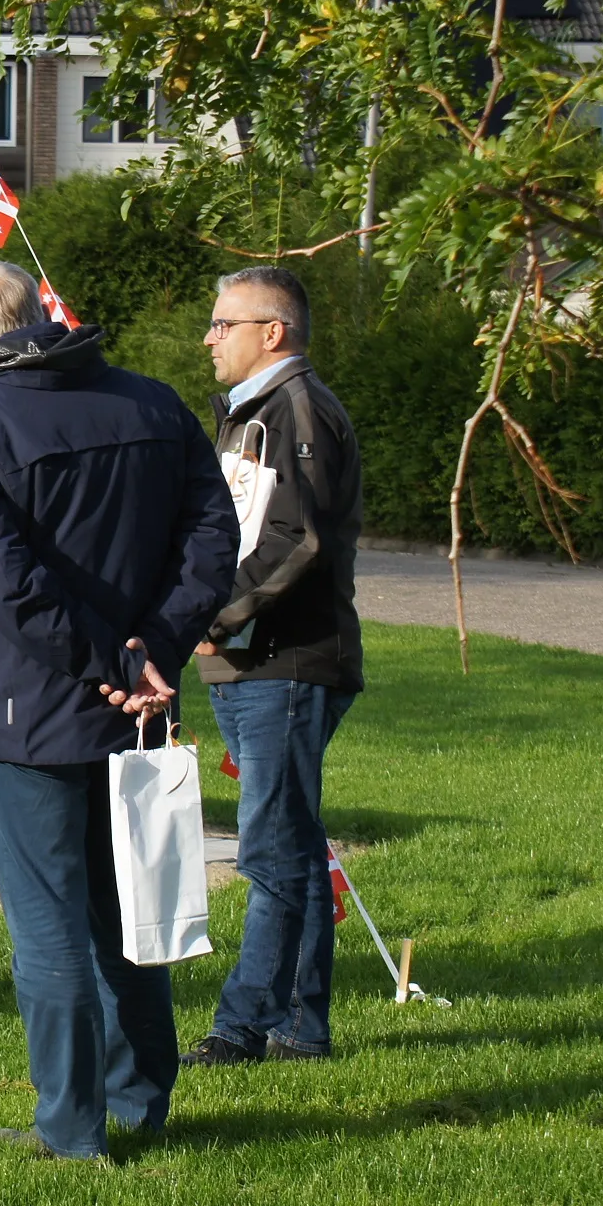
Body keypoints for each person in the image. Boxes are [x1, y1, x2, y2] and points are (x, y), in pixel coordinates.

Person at [0, 261, 236, 1161]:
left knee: (51, 927)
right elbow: (213, 539)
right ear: (42, 317)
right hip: (130, 700)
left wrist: (122, 656)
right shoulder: (153, 403)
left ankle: (72, 1127)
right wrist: (151, 649)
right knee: (130, 914)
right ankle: (139, 1102)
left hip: (29, 708)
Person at [181, 267, 364, 1067]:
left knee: (270, 853)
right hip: (252, 662)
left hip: (286, 660)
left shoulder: (294, 410)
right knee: (289, 842)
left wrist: (218, 616)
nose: (210, 337)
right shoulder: (247, 414)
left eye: (225, 324)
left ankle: (241, 1028)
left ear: (273, 332)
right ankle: (301, 1027)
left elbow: (299, 541)